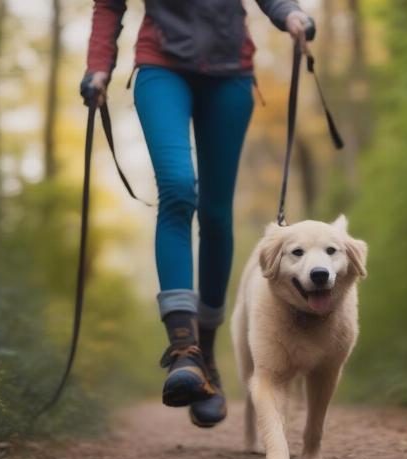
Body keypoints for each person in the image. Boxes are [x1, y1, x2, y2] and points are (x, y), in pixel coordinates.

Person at [81, 1, 313, 428]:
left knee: (216, 214)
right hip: (161, 68)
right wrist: (98, 67)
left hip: (231, 75)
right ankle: (184, 349)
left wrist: (289, 14)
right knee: (177, 189)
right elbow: (109, 5)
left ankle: (205, 357)